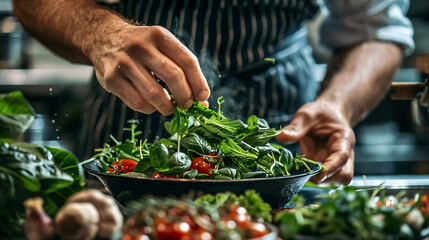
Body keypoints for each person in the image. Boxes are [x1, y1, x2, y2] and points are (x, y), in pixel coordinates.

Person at [12, 0, 414, 185]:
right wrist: (100, 33)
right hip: (129, 111)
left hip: (285, 128)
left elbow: (375, 30)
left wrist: (337, 105)